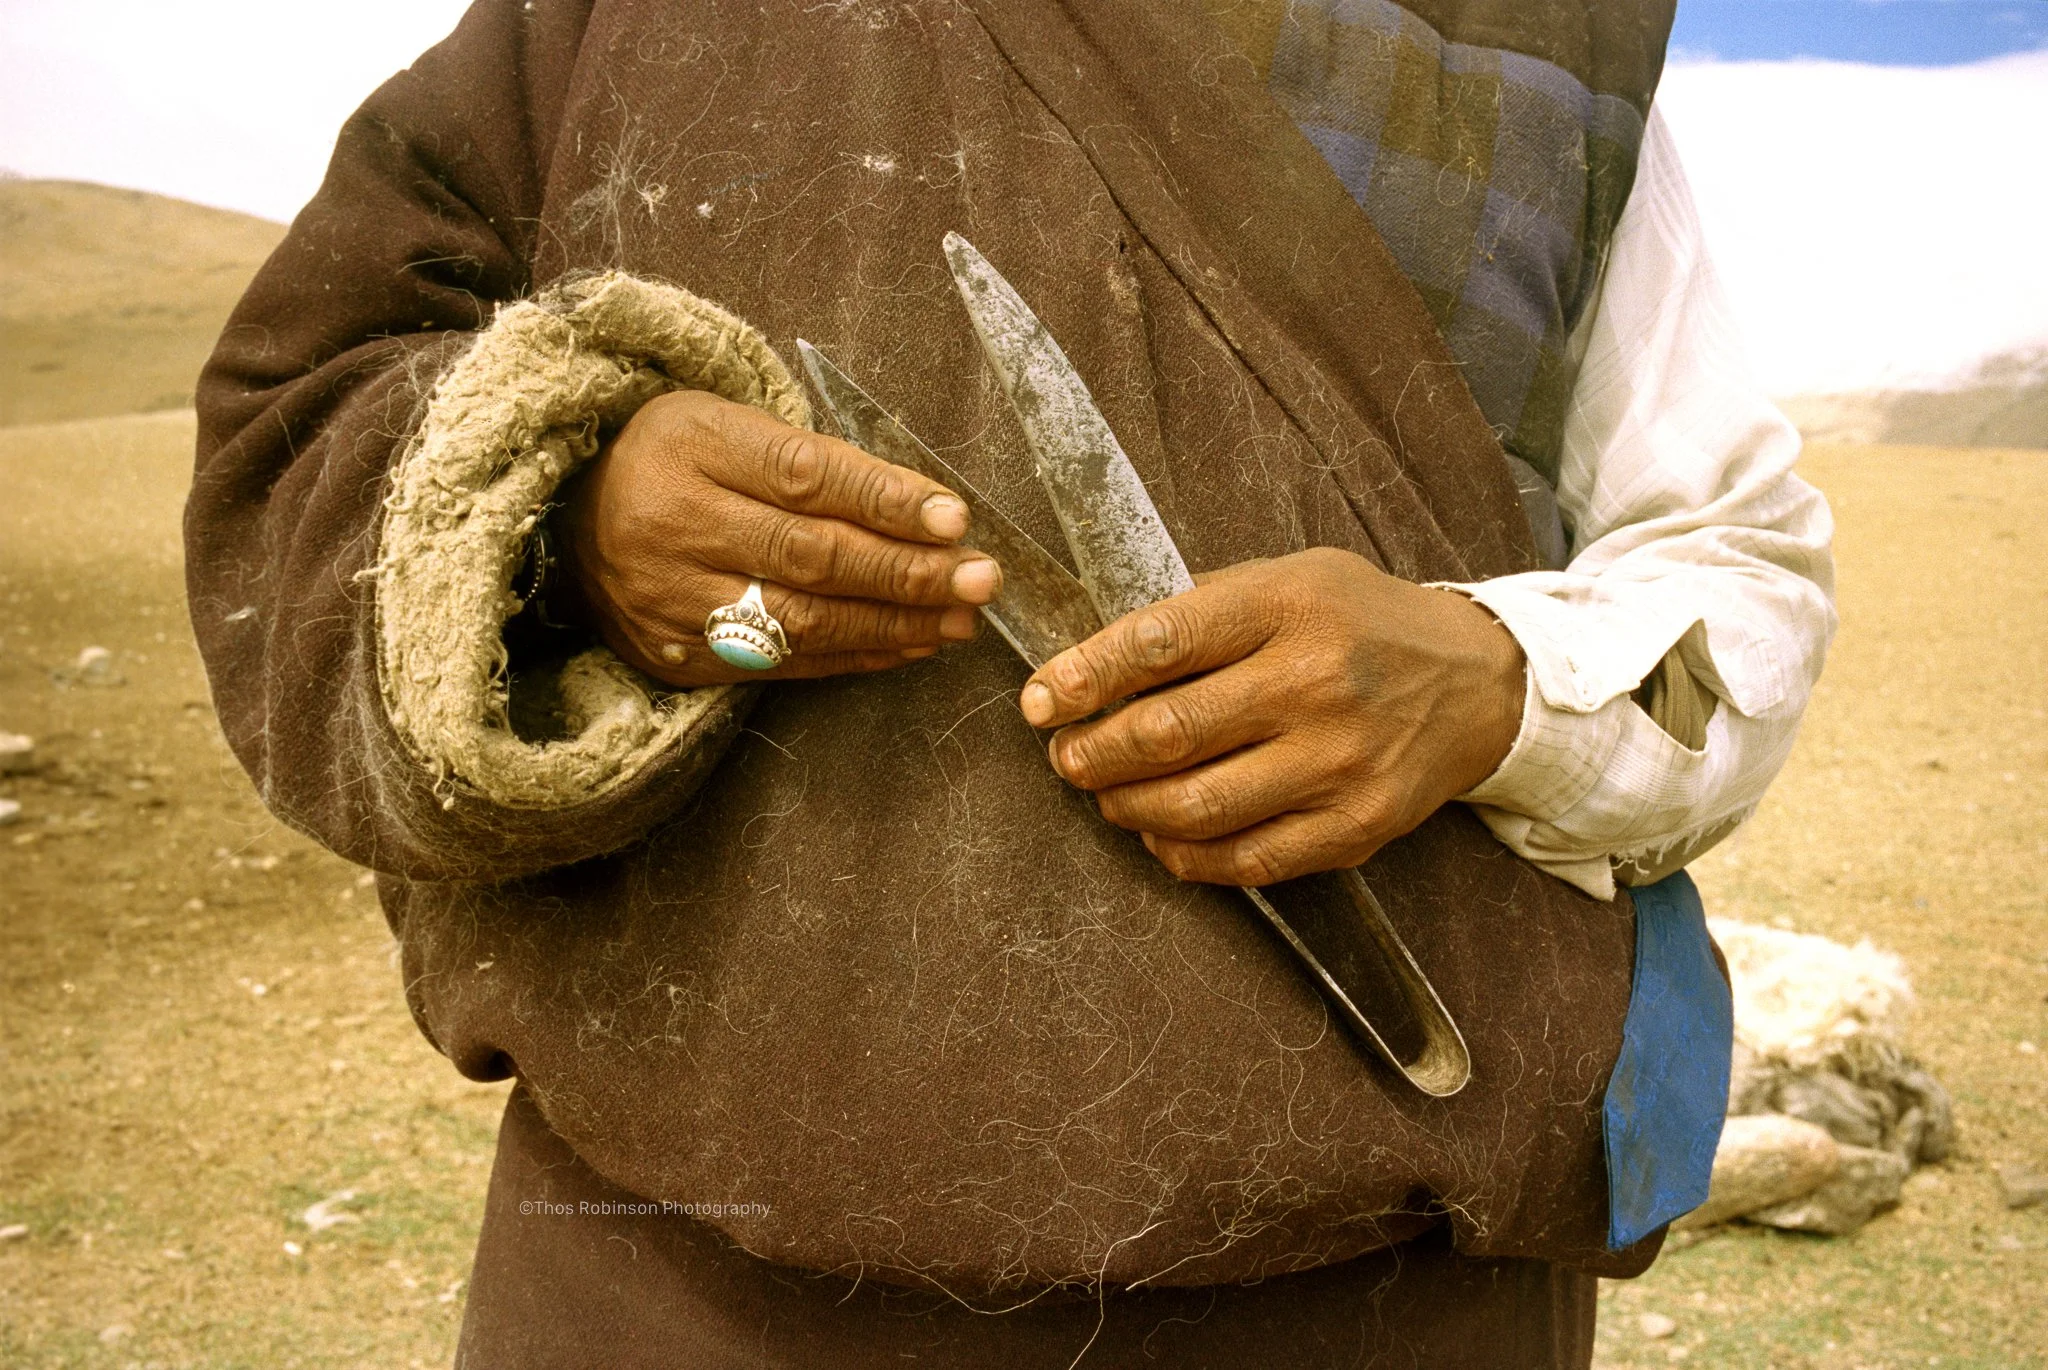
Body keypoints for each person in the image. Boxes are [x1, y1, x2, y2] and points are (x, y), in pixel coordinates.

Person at [186, 0, 1833, 1364]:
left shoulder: (1537, 50)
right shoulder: (601, 21)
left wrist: (1491, 682)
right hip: (662, 1297)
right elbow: (297, 427)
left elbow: (1742, 571)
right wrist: (581, 536)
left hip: (1390, 1301)